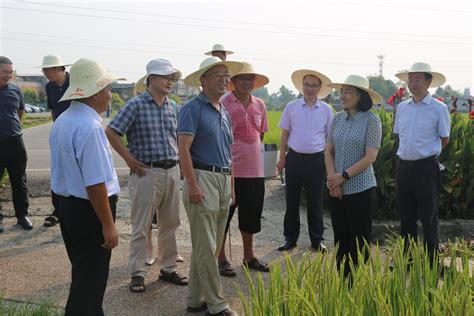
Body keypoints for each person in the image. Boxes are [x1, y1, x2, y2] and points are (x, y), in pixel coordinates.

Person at [106, 59, 187, 293]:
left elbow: (178, 137)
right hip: (146, 171)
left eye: (172, 77)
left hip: (171, 170)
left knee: (170, 222)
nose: (170, 81)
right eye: (165, 77)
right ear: (150, 78)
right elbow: (112, 131)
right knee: (141, 225)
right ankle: (138, 272)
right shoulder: (136, 104)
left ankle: (168, 268)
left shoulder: (173, 106)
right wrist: (129, 159)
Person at [50, 58, 121, 315]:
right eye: (109, 90)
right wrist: (108, 224)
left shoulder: (64, 120)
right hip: (90, 209)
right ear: (97, 93)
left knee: (83, 274)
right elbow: (95, 183)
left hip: (67, 205)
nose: (110, 96)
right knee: (90, 283)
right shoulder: (90, 127)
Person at [178, 56, 243, 315]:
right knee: (207, 246)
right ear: (202, 80)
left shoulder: (224, 110)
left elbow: (229, 152)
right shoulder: (193, 108)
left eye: (226, 74)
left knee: (210, 246)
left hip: (223, 179)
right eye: (217, 74)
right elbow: (183, 148)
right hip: (201, 177)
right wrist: (192, 184)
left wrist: (232, 185)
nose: (224, 79)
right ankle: (217, 304)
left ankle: (195, 300)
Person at [324, 74, 382, 276]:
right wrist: (333, 180)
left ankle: (358, 284)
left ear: (360, 95)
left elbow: (371, 156)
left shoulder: (371, 120)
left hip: (361, 189)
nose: (343, 95)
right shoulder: (338, 119)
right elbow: (328, 151)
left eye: (348, 92)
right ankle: (343, 281)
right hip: (337, 189)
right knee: (341, 237)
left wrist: (343, 176)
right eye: (342, 91)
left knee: (359, 239)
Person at [393, 62, 450, 264]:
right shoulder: (402, 107)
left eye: (418, 79)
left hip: (426, 168)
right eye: (410, 80)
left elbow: (444, 139)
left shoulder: (438, 108)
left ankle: (431, 262)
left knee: (429, 217)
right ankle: (406, 260)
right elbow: (400, 135)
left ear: (428, 81)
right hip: (403, 168)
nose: (413, 84)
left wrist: (426, 154)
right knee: (406, 217)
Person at [217, 62, 270, 277]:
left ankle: (249, 256)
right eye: (243, 78)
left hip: (255, 171)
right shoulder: (224, 103)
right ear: (233, 82)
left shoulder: (260, 104)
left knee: (251, 218)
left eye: (251, 79)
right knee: (224, 217)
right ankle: (221, 257)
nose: (248, 82)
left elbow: (262, 134)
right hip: (230, 171)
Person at [276, 69, 333, 252]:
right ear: (302, 86)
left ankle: (317, 239)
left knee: (315, 201)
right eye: (306, 85)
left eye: (313, 85)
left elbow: (330, 139)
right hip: (294, 158)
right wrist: (281, 158)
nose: (309, 88)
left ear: (319, 88)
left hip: (317, 160)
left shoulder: (326, 110)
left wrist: (329, 163)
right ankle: (290, 238)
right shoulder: (292, 106)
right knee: (291, 200)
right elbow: (284, 134)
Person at [39, 54, 72, 228]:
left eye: (48, 69)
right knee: (58, 170)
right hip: (60, 133)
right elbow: (53, 110)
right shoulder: (49, 87)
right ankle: (57, 211)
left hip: (77, 133)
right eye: (44, 69)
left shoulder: (75, 82)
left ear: (60, 69)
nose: (45, 72)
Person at [0, 56, 32, 233]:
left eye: (11, 72)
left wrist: (13, 128)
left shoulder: (15, 90)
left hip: (15, 143)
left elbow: (20, 112)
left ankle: (22, 215)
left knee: (19, 181)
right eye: (5, 72)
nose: (9, 75)